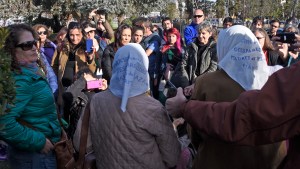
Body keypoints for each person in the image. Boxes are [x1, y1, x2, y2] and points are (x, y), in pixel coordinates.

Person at [178, 25, 286, 169]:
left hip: (217, 159)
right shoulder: (274, 79)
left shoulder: (206, 82)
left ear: (223, 47)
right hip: (265, 161)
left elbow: (195, 131)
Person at [89, 43, 181, 169]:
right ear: (143, 67)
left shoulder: (96, 101)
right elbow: (172, 157)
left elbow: (79, 143)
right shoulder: (153, 108)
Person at [0, 24, 62, 169]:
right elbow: (4, 123)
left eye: (34, 42)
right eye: (27, 45)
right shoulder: (20, 80)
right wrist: (38, 142)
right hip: (34, 156)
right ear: (12, 49)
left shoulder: (30, 70)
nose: (34, 47)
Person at [51, 21, 96, 118]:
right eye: (71, 35)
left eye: (77, 35)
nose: (74, 38)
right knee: (64, 117)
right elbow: (53, 66)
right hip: (63, 90)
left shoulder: (86, 47)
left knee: (77, 119)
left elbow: (92, 70)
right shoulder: (61, 47)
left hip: (79, 90)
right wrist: (59, 78)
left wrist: (90, 58)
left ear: (82, 34)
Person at [62, 67, 107, 152]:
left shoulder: (100, 95)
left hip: (98, 141)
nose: (90, 83)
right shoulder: (77, 96)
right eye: (87, 81)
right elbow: (68, 95)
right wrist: (83, 80)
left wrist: (106, 90)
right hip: (80, 142)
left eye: (92, 80)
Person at [184, 21, 218, 96]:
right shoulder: (190, 47)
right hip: (190, 83)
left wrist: (197, 83)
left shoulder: (214, 48)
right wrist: (186, 83)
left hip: (207, 84)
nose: (200, 36)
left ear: (210, 34)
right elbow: (184, 65)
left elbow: (213, 68)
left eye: (203, 33)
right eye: (198, 33)